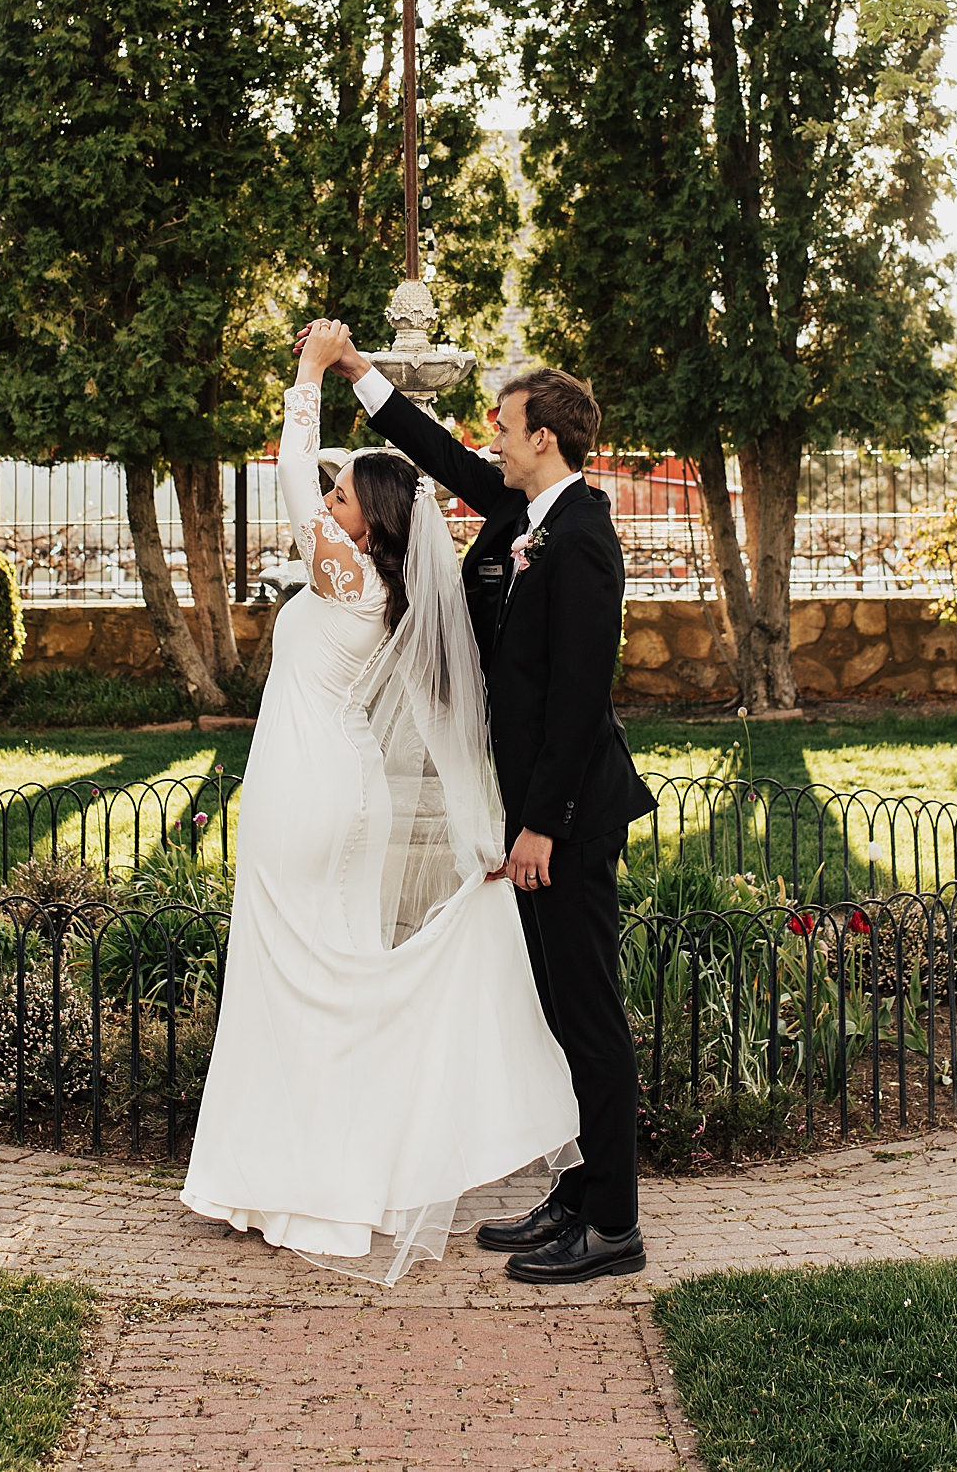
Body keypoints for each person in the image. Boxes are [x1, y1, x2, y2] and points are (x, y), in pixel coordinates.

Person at [180, 320, 580, 1286]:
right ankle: (333, 1178)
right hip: (351, 789)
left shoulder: (345, 575)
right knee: (340, 976)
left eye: (342, 497)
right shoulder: (386, 585)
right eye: (331, 495)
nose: (326, 502)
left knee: (289, 977)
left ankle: (292, 1182)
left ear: (367, 525)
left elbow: (287, 472)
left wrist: (310, 373)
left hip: (306, 790)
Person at [305, 327, 655, 1284]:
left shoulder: (582, 540)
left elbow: (579, 700)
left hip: (569, 818)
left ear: (544, 437)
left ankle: (614, 1225)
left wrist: (540, 825)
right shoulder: (518, 512)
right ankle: (578, 1193)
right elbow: (435, 452)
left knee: (589, 1014)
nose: (491, 440)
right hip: (529, 811)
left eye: (503, 427)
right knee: (555, 1009)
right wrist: (356, 374)